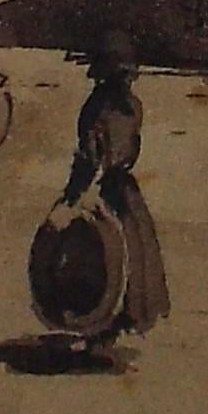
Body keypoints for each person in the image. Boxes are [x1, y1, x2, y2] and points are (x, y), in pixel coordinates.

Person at [56, 29, 168, 340]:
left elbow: (90, 155)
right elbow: (132, 150)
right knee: (136, 242)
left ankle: (114, 313)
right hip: (125, 184)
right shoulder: (133, 106)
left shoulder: (96, 108)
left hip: (105, 185)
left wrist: (72, 193)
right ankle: (137, 311)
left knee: (109, 251)